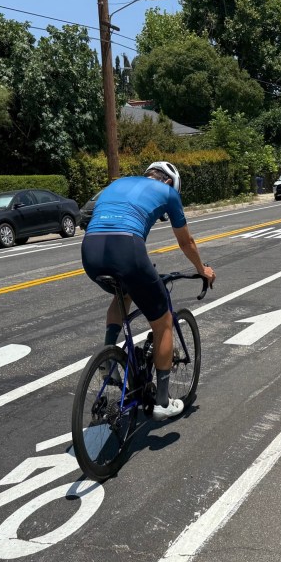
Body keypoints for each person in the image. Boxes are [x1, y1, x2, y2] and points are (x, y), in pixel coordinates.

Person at [81, 161, 216, 421]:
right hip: (127, 249)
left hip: (90, 250)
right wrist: (202, 269)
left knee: (124, 294)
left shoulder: (119, 183)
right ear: (169, 182)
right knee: (163, 322)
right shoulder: (168, 192)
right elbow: (186, 241)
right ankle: (162, 402)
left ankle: (109, 355)